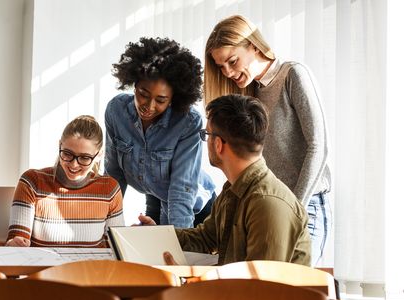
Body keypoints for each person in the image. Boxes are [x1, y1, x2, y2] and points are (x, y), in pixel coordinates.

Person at [203, 15, 331, 265]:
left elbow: (319, 146)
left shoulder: (292, 75)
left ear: (253, 45)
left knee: (290, 293)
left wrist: (295, 208)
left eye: (232, 61)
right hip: (269, 208)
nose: (228, 72)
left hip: (306, 205)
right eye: (221, 67)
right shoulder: (250, 92)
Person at [139, 94, 311, 266]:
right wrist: (157, 236)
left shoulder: (268, 204)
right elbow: (205, 239)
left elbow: (261, 288)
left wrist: (188, 281)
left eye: (206, 134)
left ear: (218, 144)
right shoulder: (233, 189)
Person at [105, 37, 216, 229]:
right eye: (143, 94)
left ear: (174, 98)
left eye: (161, 100)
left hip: (195, 210)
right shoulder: (117, 111)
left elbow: (181, 191)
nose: (149, 106)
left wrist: (179, 243)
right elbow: (114, 176)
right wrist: (107, 227)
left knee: (173, 254)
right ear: (134, 83)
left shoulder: (188, 122)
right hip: (156, 197)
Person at [6, 115, 124, 247]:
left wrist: (140, 234)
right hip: (44, 267)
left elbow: (117, 248)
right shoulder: (32, 182)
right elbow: (15, 242)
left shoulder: (110, 189)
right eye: (67, 153)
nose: (73, 165)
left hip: (92, 268)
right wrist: (14, 244)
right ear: (59, 145)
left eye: (84, 158)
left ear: (99, 155)